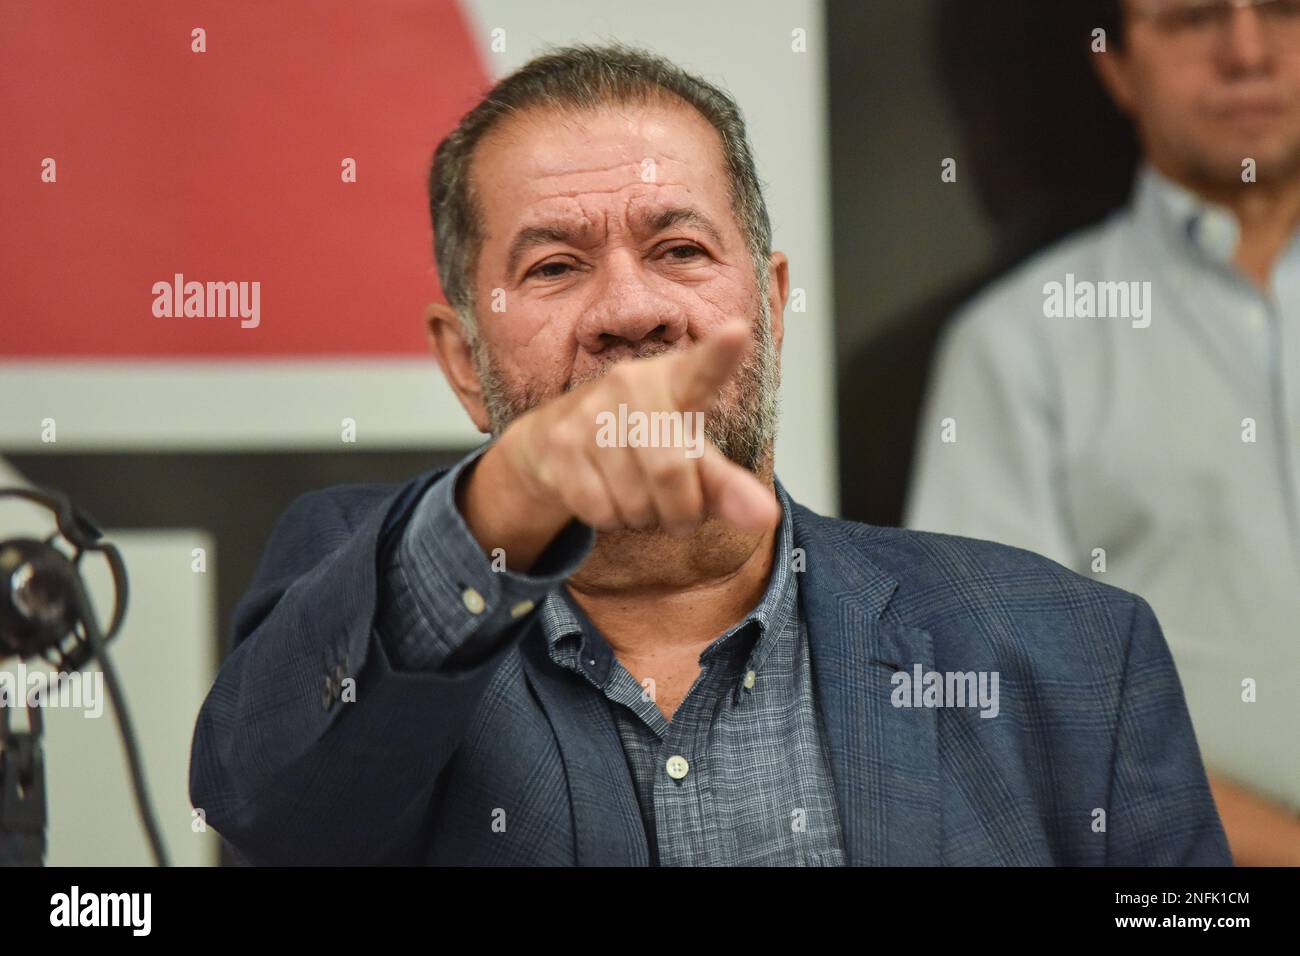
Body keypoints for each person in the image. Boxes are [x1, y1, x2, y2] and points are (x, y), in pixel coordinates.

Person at [189, 43, 1228, 866]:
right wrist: (505, 502)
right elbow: (270, 808)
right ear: (465, 360)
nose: (630, 310)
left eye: (679, 249)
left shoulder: (1072, 653)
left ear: (770, 306)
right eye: (554, 265)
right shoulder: (364, 591)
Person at [907, 0, 1300, 864]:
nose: (1247, 51)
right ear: (1117, 67)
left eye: (1282, 9)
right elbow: (1001, 704)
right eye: (1195, 18)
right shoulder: (1019, 345)